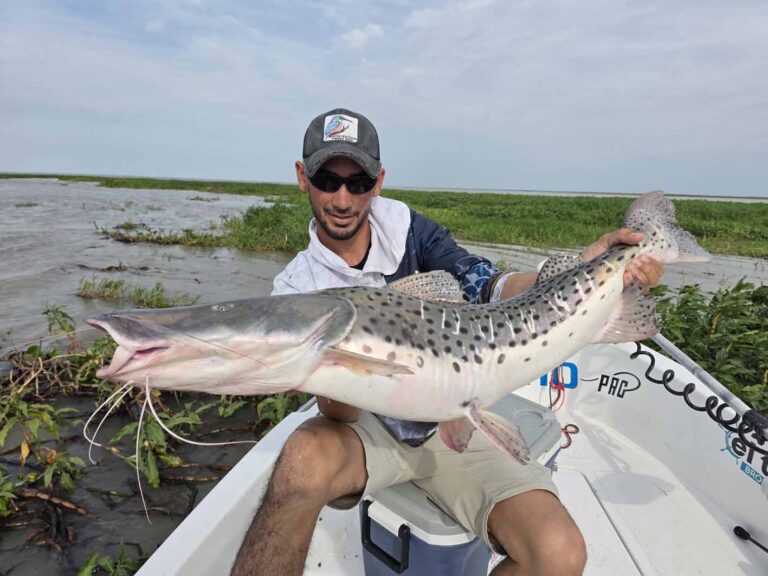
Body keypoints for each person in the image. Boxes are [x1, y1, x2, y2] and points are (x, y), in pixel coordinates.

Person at [231, 108, 664, 576]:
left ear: (377, 182)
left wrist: (584, 266)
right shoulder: (296, 289)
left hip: (455, 414)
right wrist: (329, 365)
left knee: (558, 553)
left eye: (357, 182)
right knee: (299, 462)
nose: (341, 198)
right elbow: (339, 414)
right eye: (326, 179)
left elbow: (488, 285)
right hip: (370, 428)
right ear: (302, 176)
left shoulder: (413, 232)